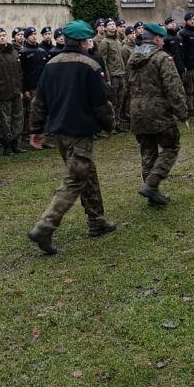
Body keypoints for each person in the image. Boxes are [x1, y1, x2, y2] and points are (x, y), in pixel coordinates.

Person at [28, 20, 116, 254]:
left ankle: (96, 221)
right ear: (81, 42)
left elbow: (39, 102)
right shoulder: (89, 65)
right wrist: (109, 125)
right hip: (79, 131)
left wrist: (36, 130)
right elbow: (100, 104)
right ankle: (45, 226)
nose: (89, 43)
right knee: (75, 180)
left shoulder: (51, 64)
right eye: (87, 40)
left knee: (87, 173)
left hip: (59, 133)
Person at [126, 22, 188, 206]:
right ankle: (152, 185)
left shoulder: (132, 57)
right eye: (161, 38)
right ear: (157, 38)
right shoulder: (162, 58)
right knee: (171, 147)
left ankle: (152, 195)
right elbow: (173, 87)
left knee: (148, 153)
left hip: (137, 111)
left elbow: (128, 83)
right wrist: (182, 112)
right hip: (158, 111)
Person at [0, 28, 26, 156]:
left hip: (15, 91)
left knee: (18, 118)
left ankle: (15, 143)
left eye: (4, 35)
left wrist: (20, 89)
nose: (2, 38)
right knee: (5, 120)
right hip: (2, 93)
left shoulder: (14, 52)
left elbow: (19, 73)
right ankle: (7, 145)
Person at [98, 18, 126, 131]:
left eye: (113, 24)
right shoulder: (105, 42)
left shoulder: (118, 41)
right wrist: (107, 78)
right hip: (113, 75)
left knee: (120, 100)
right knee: (113, 102)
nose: (113, 26)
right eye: (109, 24)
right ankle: (111, 125)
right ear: (105, 28)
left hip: (121, 74)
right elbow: (103, 61)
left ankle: (118, 123)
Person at [20, 27, 47, 142]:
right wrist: (24, 89)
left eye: (35, 34)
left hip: (42, 86)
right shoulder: (23, 52)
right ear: (26, 37)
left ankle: (42, 133)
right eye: (31, 34)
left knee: (43, 110)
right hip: (31, 87)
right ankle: (28, 133)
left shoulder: (42, 51)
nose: (34, 36)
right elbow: (21, 73)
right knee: (31, 111)